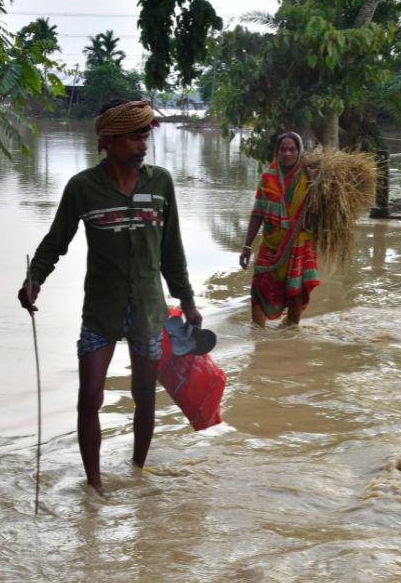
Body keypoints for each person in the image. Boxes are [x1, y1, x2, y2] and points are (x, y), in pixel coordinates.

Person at [18, 99, 202, 495]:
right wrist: (34, 279)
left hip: (148, 308)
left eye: (145, 137)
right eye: (135, 138)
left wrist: (187, 302)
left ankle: (138, 471)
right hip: (102, 308)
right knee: (89, 396)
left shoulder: (160, 183)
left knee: (144, 396)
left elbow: (172, 249)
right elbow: (56, 241)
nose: (143, 146)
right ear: (109, 141)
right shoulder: (83, 188)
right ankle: (95, 486)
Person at [239, 131, 320, 326]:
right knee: (259, 288)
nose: (287, 153)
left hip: (299, 242)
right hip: (271, 242)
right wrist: (247, 245)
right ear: (277, 151)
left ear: (299, 151)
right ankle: (257, 335)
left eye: (292, 149)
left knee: (296, 291)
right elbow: (258, 213)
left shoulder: (310, 177)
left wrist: (318, 184)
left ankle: (291, 334)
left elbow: (322, 211)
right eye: (283, 149)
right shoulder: (268, 177)